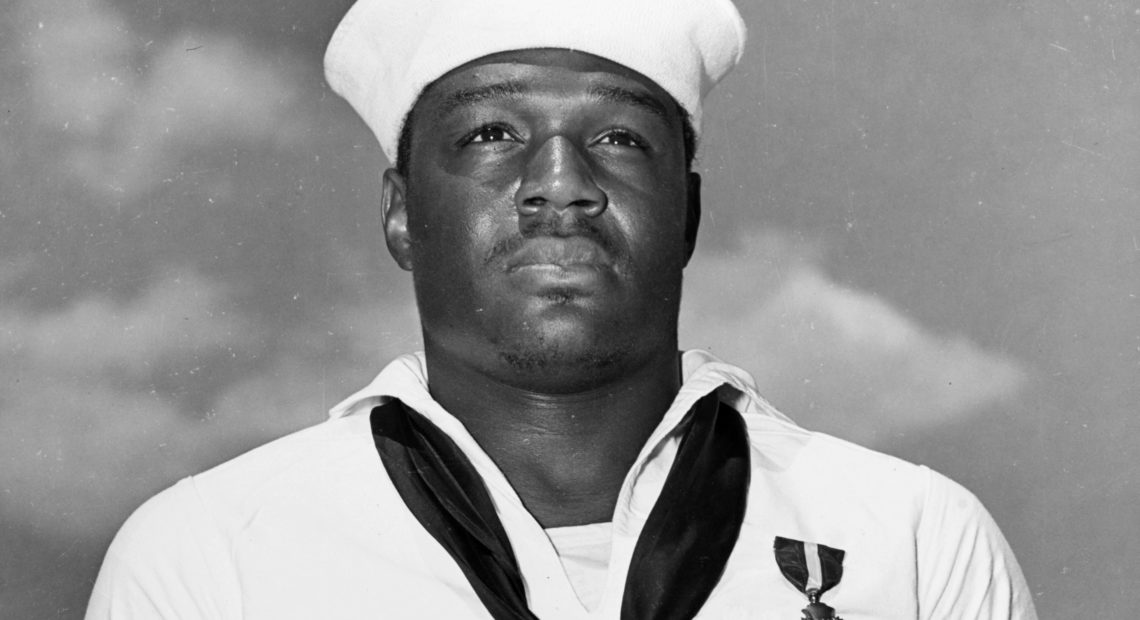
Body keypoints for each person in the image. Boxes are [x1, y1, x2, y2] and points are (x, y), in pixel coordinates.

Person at [86, 0, 1038, 618]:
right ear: (403, 214)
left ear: (690, 211)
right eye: (492, 133)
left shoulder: (911, 543)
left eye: (620, 137)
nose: (560, 184)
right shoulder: (210, 563)